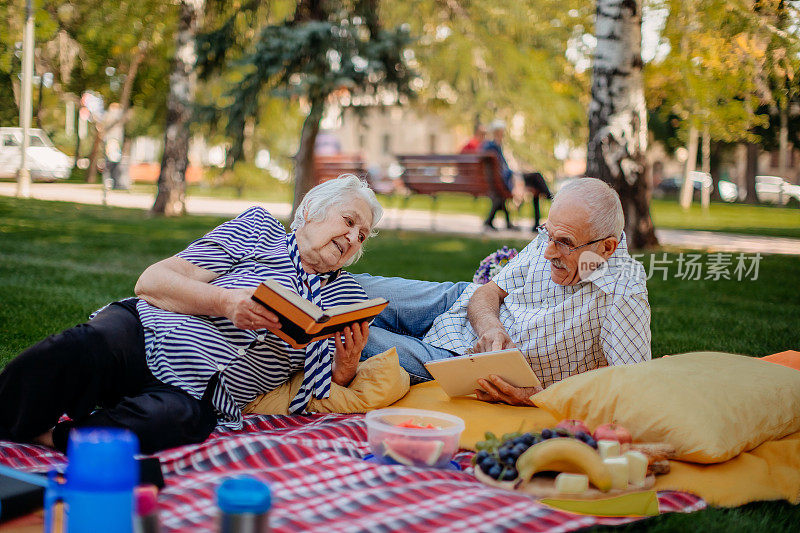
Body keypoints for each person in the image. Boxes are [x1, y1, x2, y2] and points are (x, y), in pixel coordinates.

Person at [0, 175, 383, 454]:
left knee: (176, 421)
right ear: (312, 212)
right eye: (349, 221)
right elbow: (152, 281)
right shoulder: (260, 232)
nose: (352, 238)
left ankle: (50, 439)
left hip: (203, 393)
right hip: (146, 333)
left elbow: (320, 382)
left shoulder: (346, 296)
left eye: (362, 236)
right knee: (80, 347)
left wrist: (346, 368)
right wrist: (227, 303)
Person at [355, 178, 650, 406]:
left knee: (341, 335)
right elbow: (487, 292)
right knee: (352, 288)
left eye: (563, 242)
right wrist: (491, 327)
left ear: (607, 248)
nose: (548, 252)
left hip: (458, 360)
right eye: (548, 234)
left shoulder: (623, 293)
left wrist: (537, 396)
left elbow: (630, 389)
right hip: (456, 302)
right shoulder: (557, 237)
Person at [481, 120, 516, 231]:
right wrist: (513, 175)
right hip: (498, 181)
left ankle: (491, 221)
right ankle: (549, 195)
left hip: (497, 181)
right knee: (535, 177)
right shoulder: (492, 147)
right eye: (501, 132)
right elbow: (502, 169)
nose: (502, 135)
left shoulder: (492, 146)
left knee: (500, 198)